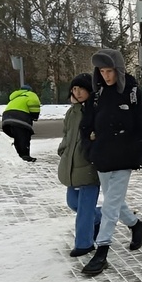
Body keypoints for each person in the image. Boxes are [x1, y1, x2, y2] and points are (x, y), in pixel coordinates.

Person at [80, 49, 142, 276]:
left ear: (119, 70)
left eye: (110, 71)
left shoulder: (134, 93)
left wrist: (132, 150)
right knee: (115, 200)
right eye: (102, 71)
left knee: (110, 205)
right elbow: (86, 126)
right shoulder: (97, 96)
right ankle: (136, 226)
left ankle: (102, 251)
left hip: (124, 158)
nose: (106, 76)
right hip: (102, 157)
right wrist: (90, 148)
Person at [58, 73, 102, 257]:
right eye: (74, 89)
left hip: (89, 166)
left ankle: (84, 244)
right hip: (71, 165)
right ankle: (98, 217)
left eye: (81, 88)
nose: (77, 92)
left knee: (83, 209)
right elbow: (67, 134)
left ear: (89, 90)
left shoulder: (96, 109)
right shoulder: (72, 112)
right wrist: (63, 150)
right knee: (73, 202)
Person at [1, 83, 41, 162]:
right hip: (20, 117)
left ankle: (17, 155)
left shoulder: (16, 97)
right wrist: (35, 116)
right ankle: (24, 156)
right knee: (24, 137)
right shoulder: (30, 94)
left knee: (17, 137)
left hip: (6, 118)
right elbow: (34, 104)